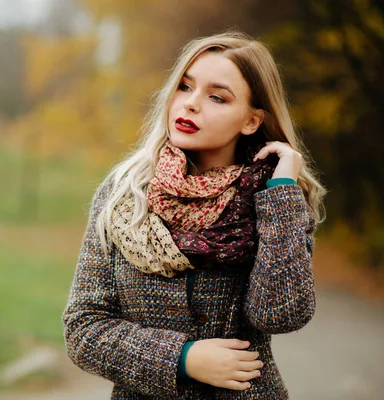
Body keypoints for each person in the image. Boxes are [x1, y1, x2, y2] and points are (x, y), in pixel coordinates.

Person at [62, 31, 326, 399]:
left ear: (251, 121)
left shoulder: (274, 198)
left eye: (217, 97)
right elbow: (83, 329)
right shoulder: (124, 193)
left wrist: (281, 194)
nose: (191, 104)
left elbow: (280, 314)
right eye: (185, 87)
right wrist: (181, 358)